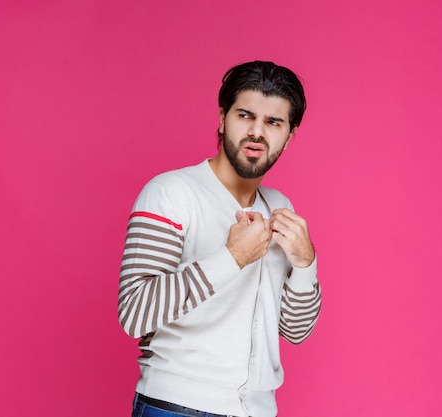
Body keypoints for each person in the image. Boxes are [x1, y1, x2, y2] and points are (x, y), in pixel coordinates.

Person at [118, 60, 322, 417]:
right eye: (245, 115)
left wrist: (306, 263)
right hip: (178, 407)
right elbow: (134, 312)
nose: (257, 132)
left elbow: (295, 331)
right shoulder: (171, 193)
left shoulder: (280, 207)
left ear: (289, 137)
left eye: (273, 122)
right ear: (222, 117)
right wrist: (231, 258)